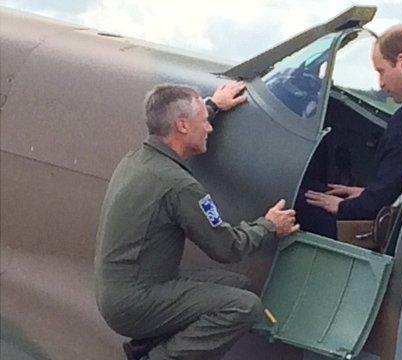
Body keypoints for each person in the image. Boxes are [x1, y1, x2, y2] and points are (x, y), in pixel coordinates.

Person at [95, 82, 299, 360]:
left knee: (236, 286)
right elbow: (226, 248)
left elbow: (177, 136)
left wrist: (213, 106)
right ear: (182, 126)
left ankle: (148, 347)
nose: (210, 128)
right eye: (203, 121)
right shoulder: (180, 187)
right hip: (136, 300)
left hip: (124, 289)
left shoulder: (138, 158)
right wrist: (269, 226)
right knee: (244, 307)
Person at [303, 24, 402, 237]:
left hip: (392, 228)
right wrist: (368, 193)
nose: (381, 83)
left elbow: (375, 206)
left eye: (381, 71)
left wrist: (346, 206)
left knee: (301, 204)